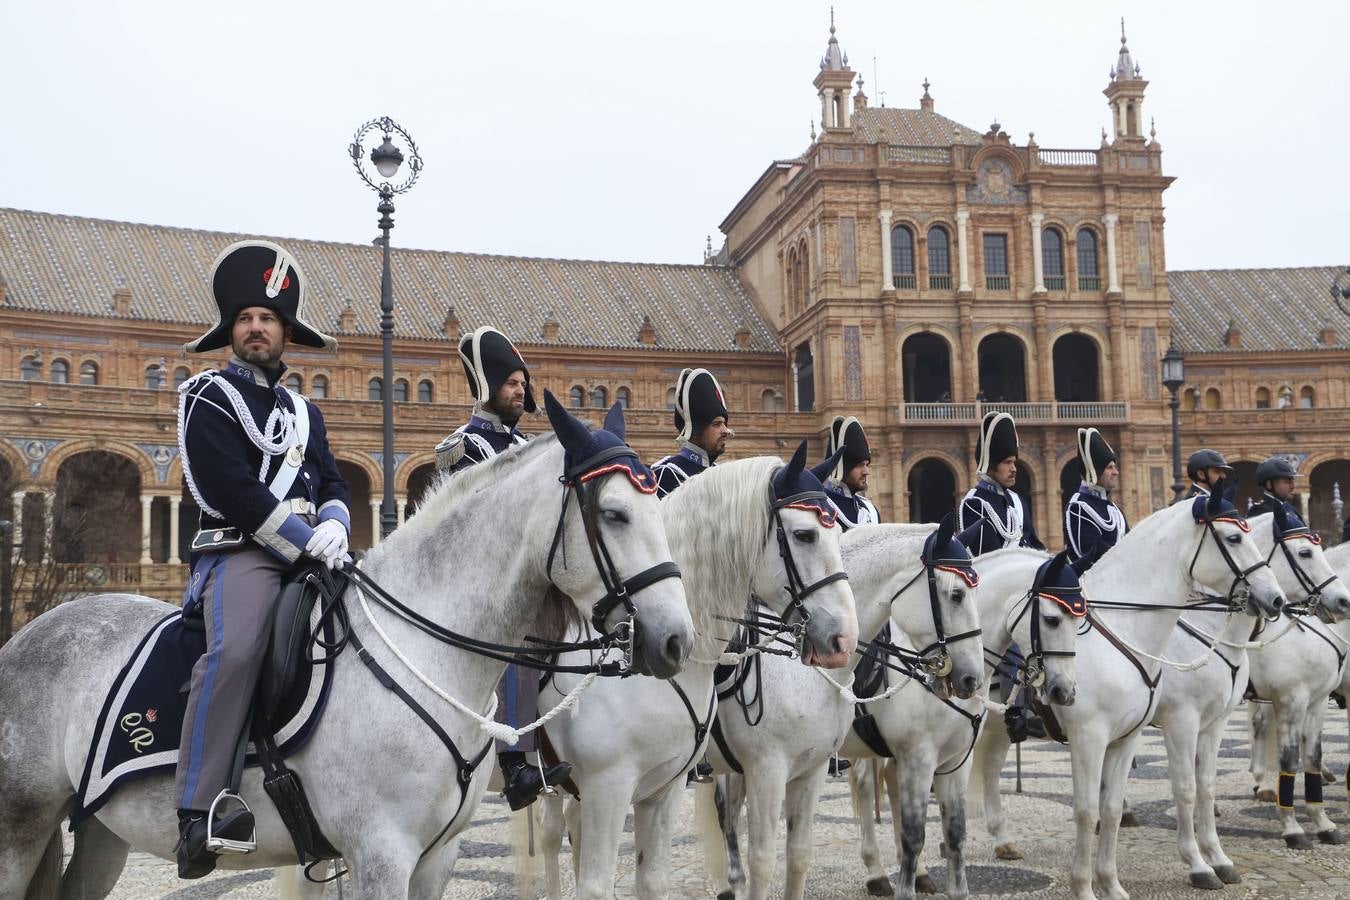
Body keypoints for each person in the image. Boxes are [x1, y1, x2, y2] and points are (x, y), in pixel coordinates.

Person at [174, 241, 351, 878]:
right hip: (240, 555)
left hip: (311, 551)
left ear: (284, 333)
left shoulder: (306, 412)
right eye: (247, 318)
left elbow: (332, 480)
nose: (257, 328)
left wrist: (334, 523)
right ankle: (200, 810)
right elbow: (230, 490)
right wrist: (305, 538)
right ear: (232, 329)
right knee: (240, 649)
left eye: (268, 319)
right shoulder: (208, 397)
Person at [433, 326, 571, 811]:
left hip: (533, 576)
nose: (520, 390)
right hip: (478, 582)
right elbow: (456, 525)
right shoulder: (461, 447)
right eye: (511, 382)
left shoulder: (535, 449)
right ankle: (516, 762)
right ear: (486, 385)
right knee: (519, 640)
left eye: (522, 382)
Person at [957, 411, 1044, 555]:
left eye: (1014, 462)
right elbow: (988, 559)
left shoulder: (1018, 502)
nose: (1014, 469)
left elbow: (1034, 545)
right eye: (1007, 462)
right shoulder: (975, 504)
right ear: (991, 465)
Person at [651, 368, 733, 498]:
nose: (725, 431)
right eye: (716, 424)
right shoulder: (667, 474)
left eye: (724, 424)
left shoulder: (721, 474)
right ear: (696, 431)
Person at [1063, 428, 1128, 575]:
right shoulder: (1078, 507)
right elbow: (1091, 552)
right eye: (1110, 468)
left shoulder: (1115, 510)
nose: (1116, 472)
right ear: (1095, 471)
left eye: (1115, 467)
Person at [816, 416, 879, 530]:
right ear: (843, 467)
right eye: (860, 465)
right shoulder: (820, 508)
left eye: (866, 465)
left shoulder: (870, 511)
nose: (866, 472)